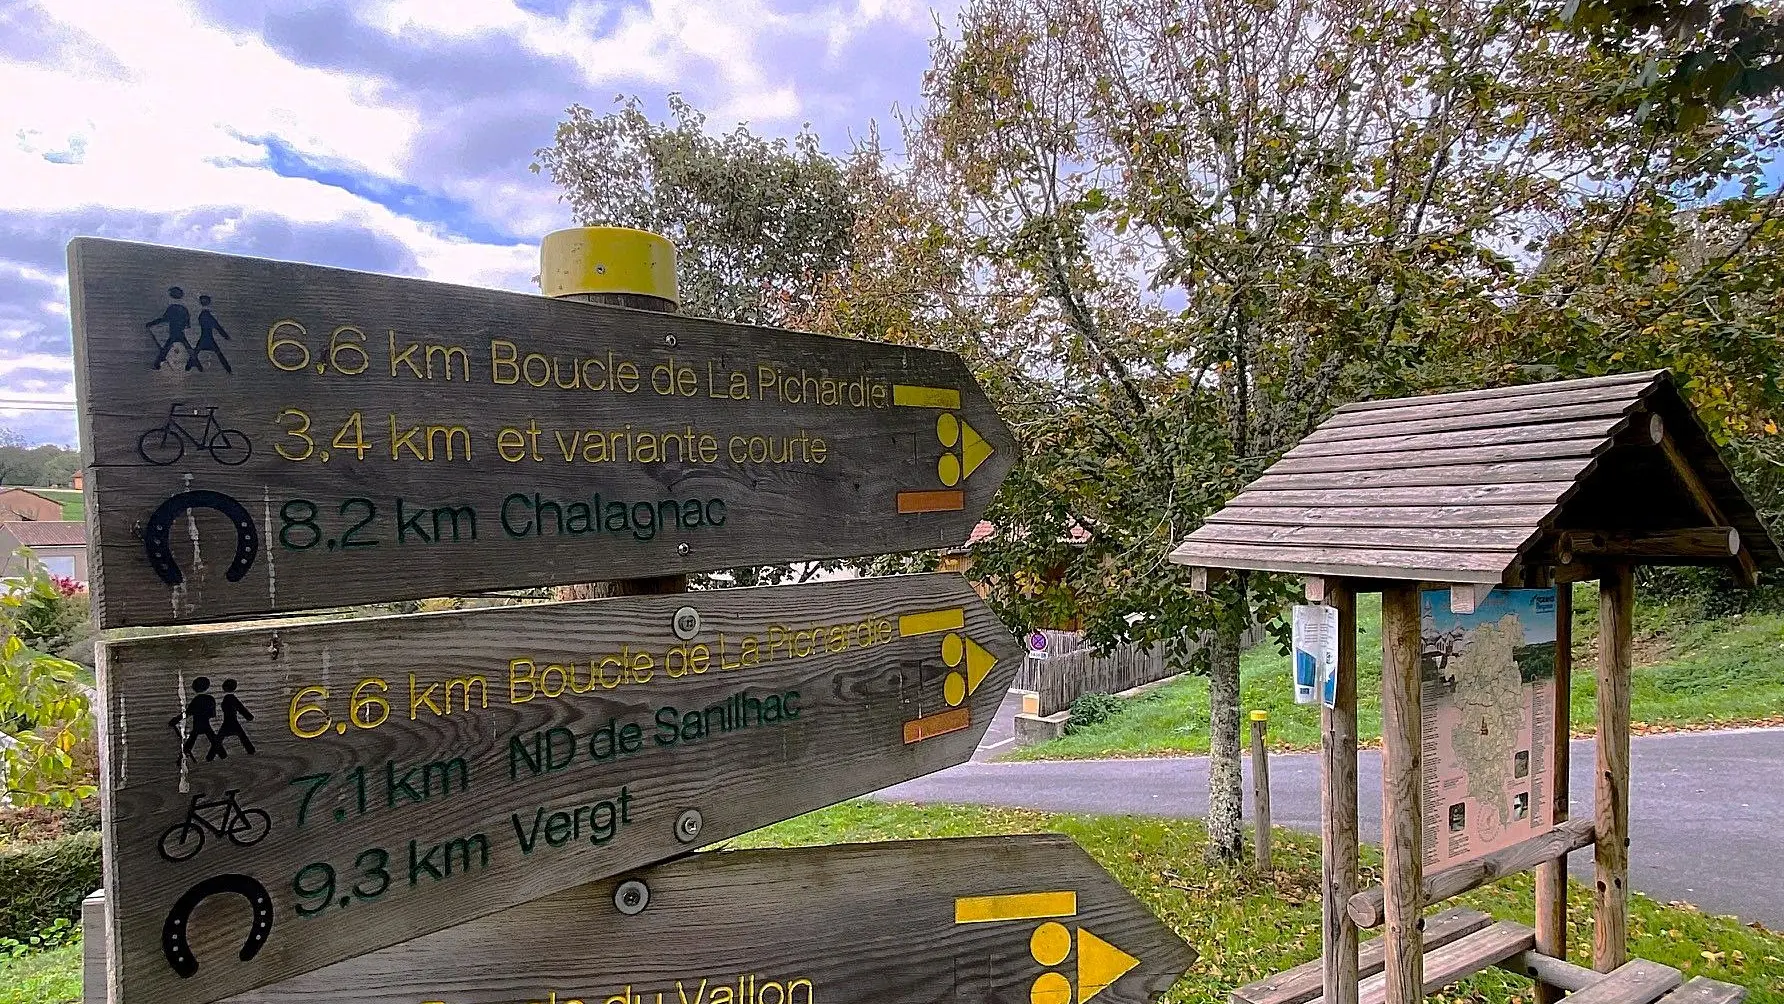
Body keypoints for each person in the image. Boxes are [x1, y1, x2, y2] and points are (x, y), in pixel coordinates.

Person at [170, 677, 220, 761]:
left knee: (191, 741)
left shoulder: (197, 700)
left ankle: (181, 758)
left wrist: (176, 720)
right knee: (213, 740)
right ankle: (220, 755)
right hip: (206, 724)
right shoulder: (210, 699)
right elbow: (212, 714)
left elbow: (188, 713)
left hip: (197, 724)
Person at [146, 287, 194, 369]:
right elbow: (187, 323)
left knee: (166, 349)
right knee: (186, 347)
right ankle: (194, 361)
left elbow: (164, 319)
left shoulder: (172, 308)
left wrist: (151, 323)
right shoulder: (183, 308)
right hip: (180, 331)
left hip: (174, 332)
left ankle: (157, 364)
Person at [192, 294, 232, 373]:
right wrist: (225, 336)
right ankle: (228, 369)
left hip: (204, 338)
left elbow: (216, 326)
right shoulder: (207, 315)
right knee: (218, 354)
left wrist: (225, 336)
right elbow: (217, 326)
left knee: (196, 352)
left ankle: (190, 366)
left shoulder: (203, 315)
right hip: (208, 338)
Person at [217, 678, 255, 756]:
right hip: (233, 721)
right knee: (242, 736)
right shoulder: (231, 698)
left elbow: (240, 708)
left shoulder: (226, 698)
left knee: (218, 739)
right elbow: (241, 708)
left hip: (227, 721)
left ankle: (219, 754)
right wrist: (249, 717)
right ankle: (251, 750)